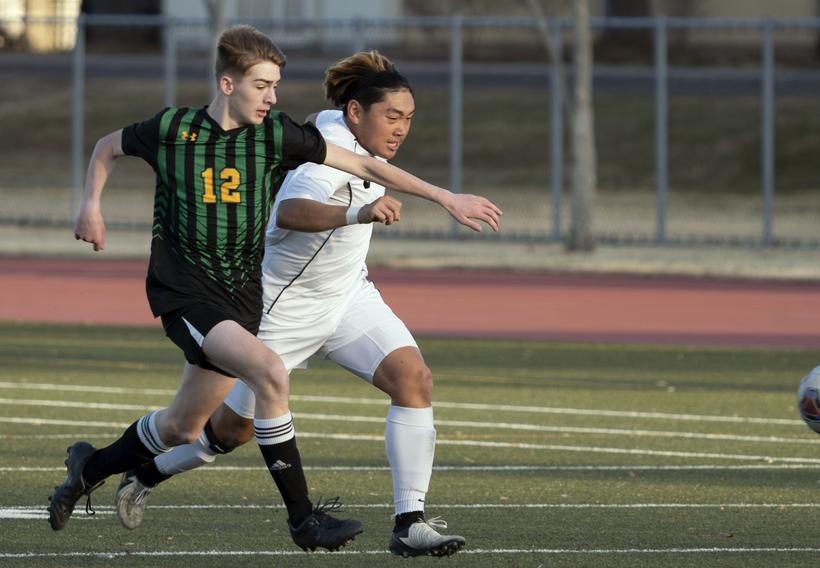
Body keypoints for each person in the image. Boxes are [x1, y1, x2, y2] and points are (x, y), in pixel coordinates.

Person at [47, 26, 501, 554]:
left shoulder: (284, 134)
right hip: (272, 301)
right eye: (391, 117)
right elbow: (289, 210)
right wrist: (91, 206)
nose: (401, 129)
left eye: (408, 119)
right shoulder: (185, 130)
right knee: (216, 424)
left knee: (411, 379)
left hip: (344, 297)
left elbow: (370, 165)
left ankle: (410, 523)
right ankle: (260, 508)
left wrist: (446, 198)